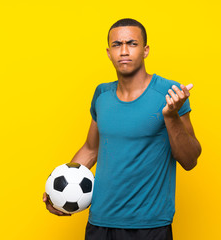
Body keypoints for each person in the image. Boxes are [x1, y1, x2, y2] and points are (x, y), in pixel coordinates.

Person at [43, 18, 202, 240]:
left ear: (145, 50)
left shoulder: (170, 92)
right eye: (117, 45)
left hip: (150, 226)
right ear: (109, 52)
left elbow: (190, 160)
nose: (124, 51)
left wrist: (171, 115)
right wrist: (60, 190)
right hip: (100, 222)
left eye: (132, 43)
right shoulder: (102, 94)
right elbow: (90, 149)